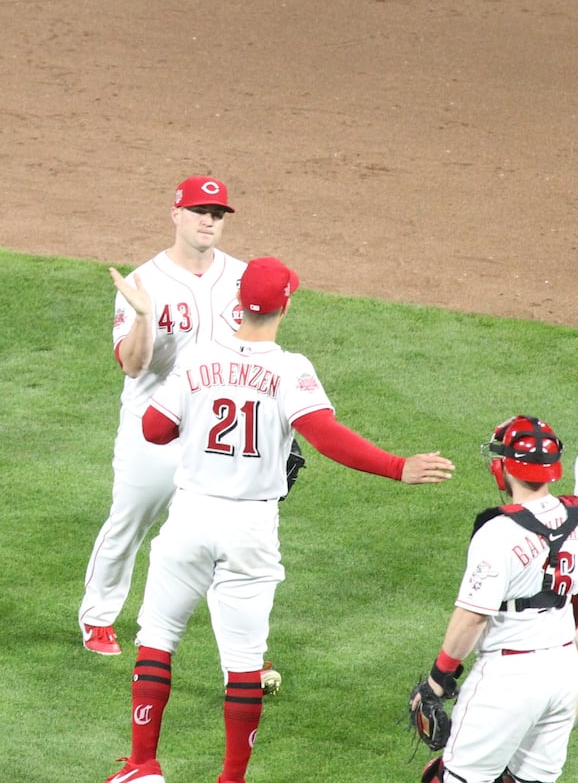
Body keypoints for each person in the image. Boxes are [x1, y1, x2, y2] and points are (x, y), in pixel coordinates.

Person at [105, 256, 455, 783]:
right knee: (244, 663)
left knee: (157, 638)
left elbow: (155, 430)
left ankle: (142, 765)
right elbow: (325, 435)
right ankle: (231, 778)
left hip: (192, 514)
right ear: (285, 305)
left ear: (236, 301)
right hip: (251, 527)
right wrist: (397, 467)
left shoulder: (198, 357)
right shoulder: (290, 368)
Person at [80, 177, 245, 656]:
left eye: (217, 213)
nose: (209, 220)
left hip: (215, 430)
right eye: (199, 211)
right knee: (129, 523)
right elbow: (133, 366)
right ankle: (98, 618)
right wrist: (144, 318)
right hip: (151, 429)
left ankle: (238, 639)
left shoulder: (241, 276)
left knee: (224, 537)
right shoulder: (142, 282)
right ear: (176, 214)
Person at [413, 415, 578, 783]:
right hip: (566, 672)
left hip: (508, 678)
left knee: (450, 778)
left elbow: (472, 617)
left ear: (501, 467)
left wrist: (438, 679)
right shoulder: (576, 517)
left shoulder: (498, 531)